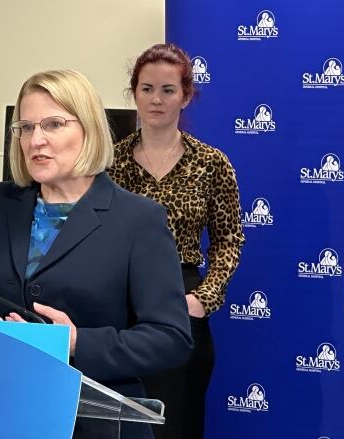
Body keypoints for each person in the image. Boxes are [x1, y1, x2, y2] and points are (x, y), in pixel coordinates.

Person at [0, 69, 192, 439]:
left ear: (88, 130)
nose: (35, 140)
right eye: (25, 127)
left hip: (94, 423)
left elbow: (170, 338)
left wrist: (75, 342)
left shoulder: (138, 220)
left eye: (53, 124)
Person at [109, 43, 245, 439]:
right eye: (147, 88)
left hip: (180, 302)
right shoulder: (107, 163)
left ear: (186, 96)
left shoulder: (211, 163)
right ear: (134, 92)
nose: (156, 99)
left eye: (168, 90)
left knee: (176, 425)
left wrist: (203, 300)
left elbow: (229, 240)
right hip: (115, 309)